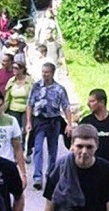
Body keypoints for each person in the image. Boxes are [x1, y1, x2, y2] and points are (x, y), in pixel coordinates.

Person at [26, 62, 74, 190]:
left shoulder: (59, 89)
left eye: (47, 72)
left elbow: (66, 106)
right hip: (39, 121)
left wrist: (69, 124)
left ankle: (51, 174)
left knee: (53, 150)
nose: (44, 74)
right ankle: (37, 177)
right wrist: (29, 122)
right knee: (38, 148)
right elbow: (30, 104)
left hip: (54, 121)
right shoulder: (36, 87)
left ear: (52, 73)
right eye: (43, 71)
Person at [5, 60, 32, 147]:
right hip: (13, 109)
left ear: (22, 69)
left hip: (26, 109)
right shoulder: (11, 81)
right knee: (14, 131)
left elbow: (33, 97)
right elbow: (7, 98)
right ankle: (15, 148)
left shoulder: (30, 81)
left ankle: (25, 148)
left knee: (25, 131)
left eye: (16, 68)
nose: (14, 70)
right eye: (13, 68)